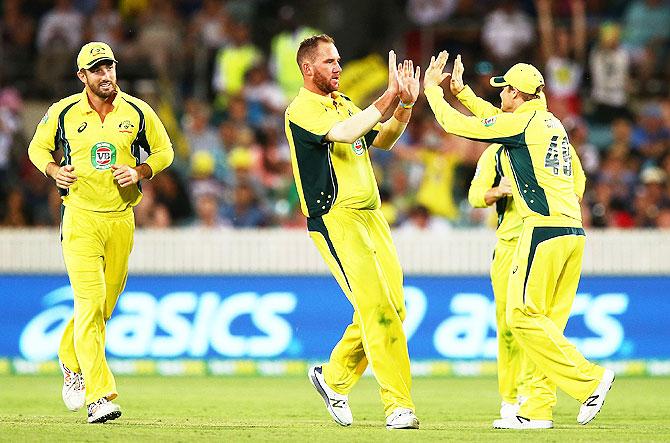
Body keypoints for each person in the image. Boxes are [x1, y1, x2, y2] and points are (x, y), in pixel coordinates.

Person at [423, 52, 614, 429]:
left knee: (519, 315)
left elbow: (456, 126)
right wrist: (461, 92)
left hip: (540, 231)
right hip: (572, 230)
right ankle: (537, 409)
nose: (500, 96)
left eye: (503, 91)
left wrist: (433, 92)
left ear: (514, 93)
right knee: (546, 325)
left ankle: (590, 379)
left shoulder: (521, 124)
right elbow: (579, 183)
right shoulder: (552, 124)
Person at [27, 42, 174, 424]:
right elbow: (37, 147)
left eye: (109, 67)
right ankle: (100, 396)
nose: (105, 75)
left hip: (121, 218)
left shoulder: (138, 111)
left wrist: (141, 171)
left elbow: (164, 151)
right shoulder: (63, 112)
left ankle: (67, 355)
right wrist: (52, 170)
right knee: (89, 305)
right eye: (96, 70)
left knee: (103, 307)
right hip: (79, 218)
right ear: (82, 77)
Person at [284, 34, 420, 429]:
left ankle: (333, 378)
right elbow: (344, 134)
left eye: (339, 60)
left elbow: (385, 139)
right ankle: (398, 406)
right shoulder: (301, 110)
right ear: (308, 69)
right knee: (377, 309)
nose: (338, 67)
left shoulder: (343, 103)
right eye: (330, 62)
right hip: (336, 219)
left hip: (372, 217)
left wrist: (405, 104)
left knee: (395, 308)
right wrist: (387, 95)